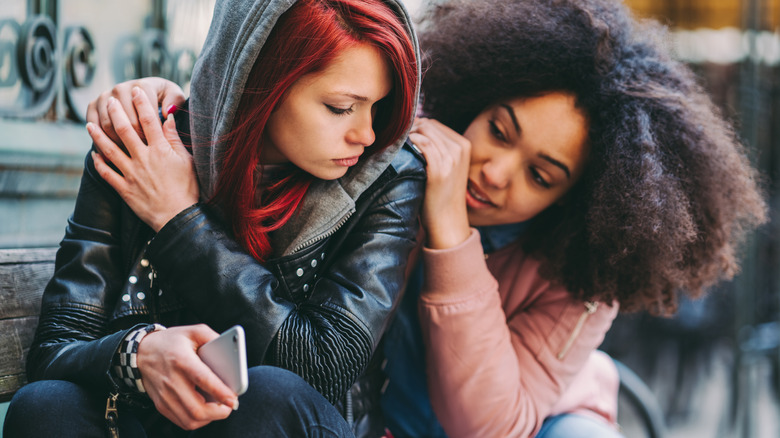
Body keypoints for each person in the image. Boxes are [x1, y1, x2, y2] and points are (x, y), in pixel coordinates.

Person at [72, 0, 768, 437]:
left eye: (541, 175)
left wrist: (452, 236)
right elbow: (292, 102)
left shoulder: (583, 276)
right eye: (500, 129)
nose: (496, 171)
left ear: (580, 201)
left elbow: (487, 425)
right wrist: (168, 104)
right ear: (482, 92)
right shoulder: (383, 152)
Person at [3, 0, 422, 437]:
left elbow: (322, 368)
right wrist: (137, 353)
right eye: (340, 107)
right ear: (259, 81)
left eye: (378, 106)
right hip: (146, 423)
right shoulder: (142, 149)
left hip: (284, 422)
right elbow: (57, 348)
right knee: (46, 406)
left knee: (268, 396)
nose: (367, 134)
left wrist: (180, 220)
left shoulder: (387, 177)